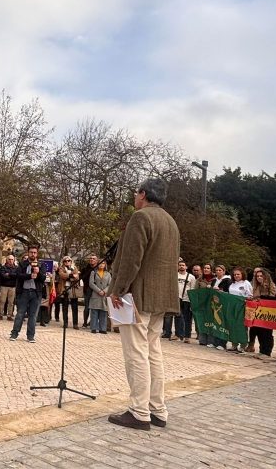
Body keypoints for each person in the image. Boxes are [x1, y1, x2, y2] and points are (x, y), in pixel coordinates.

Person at [106, 178, 180, 431]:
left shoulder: (140, 217)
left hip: (137, 295)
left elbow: (131, 260)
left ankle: (139, 411)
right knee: (153, 352)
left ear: (143, 194)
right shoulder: (170, 221)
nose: (134, 197)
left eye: (136, 192)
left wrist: (118, 289)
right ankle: (157, 408)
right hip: (161, 297)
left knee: (136, 353)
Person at [9, 246, 46, 342]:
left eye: (34, 252)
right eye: (31, 252)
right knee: (20, 314)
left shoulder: (41, 264)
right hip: (24, 292)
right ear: (28, 253)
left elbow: (43, 278)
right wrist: (29, 276)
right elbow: (18, 276)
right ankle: (14, 334)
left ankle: (30, 336)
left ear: (37, 254)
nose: (33, 254)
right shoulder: (22, 264)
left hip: (36, 293)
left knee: (33, 316)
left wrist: (38, 273)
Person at [247, 267, 276, 356]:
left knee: (267, 333)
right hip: (257, 311)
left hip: (268, 312)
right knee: (258, 331)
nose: (259, 277)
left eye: (261, 276)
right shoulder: (254, 286)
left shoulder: (271, 286)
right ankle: (261, 350)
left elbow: (273, 297)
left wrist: (261, 298)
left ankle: (267, 351)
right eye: (257, 276)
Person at [225, 267, 252, 352]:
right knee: (232, 324)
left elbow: (250, 295)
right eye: (235, 274)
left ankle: (243, 344)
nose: (236, 276)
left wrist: (245, 300)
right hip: (232, 306)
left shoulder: (246, 283)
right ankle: (234, 344)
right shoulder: (232, 284)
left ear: (242, 274)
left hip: (242, 306)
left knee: (241, 325)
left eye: (238, 274)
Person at [55, 256, 81, 329]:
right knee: (65, 307)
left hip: (73, 290)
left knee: (75, 307)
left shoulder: (74, 267)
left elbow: (77, 277)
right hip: (64, 289)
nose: (67, 262)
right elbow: (62, 275)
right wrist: (72, 275)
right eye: (65, 261)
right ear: (63, 262)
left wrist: (69, 276)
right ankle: (65, 323)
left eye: (68, 260)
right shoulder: (61, 268)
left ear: (71, 261)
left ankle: (75, 324)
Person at [173, 259, 195, 343]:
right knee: (177, 316)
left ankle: (187, 336)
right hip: (177, 298)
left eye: (183, 265)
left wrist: (191, 300)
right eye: (180, 265)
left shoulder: (191, 277)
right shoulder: (175, 275)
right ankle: (177, 334)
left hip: (187, 299)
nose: (181, 266)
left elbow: (192, 289)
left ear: (186, 267)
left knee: (187, 318)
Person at [88, 260, 112, 333]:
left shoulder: (108, 274)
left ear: (105, 265)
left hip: (104, 295)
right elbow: (91, 283)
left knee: (104, 312)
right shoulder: (93, 273)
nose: (101, 265)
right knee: (94, 312)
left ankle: (102, 328)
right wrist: (98, 291)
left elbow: (110, 284)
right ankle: (93, 328)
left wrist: (104, 291)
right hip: (95, 294)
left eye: (103, 263)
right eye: (100, 263)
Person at [80, 254, 99, 328]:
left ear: (97, 261)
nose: (92, 260)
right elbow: (82, 278)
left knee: (95, 307)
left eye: (94, 259)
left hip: (97, 290)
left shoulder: (99, 269)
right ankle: (85, 323)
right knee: (87, 307)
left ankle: (92, 322)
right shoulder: (85, 269)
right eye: (91, 258)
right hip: (87, 289)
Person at [0, 254, 19, 320]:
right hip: (4, 286)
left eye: (12, 259)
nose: (10, 261)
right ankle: (1, 314)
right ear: (7, 260)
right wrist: (12, 275)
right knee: (2, 301)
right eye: (9, 259)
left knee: (11, 302)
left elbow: (17, 275)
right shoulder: (3, 267)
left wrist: (9, 274)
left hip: (12, 287)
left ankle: (9, 315)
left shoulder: (16, 268)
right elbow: (3, 276)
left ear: (14, 260)